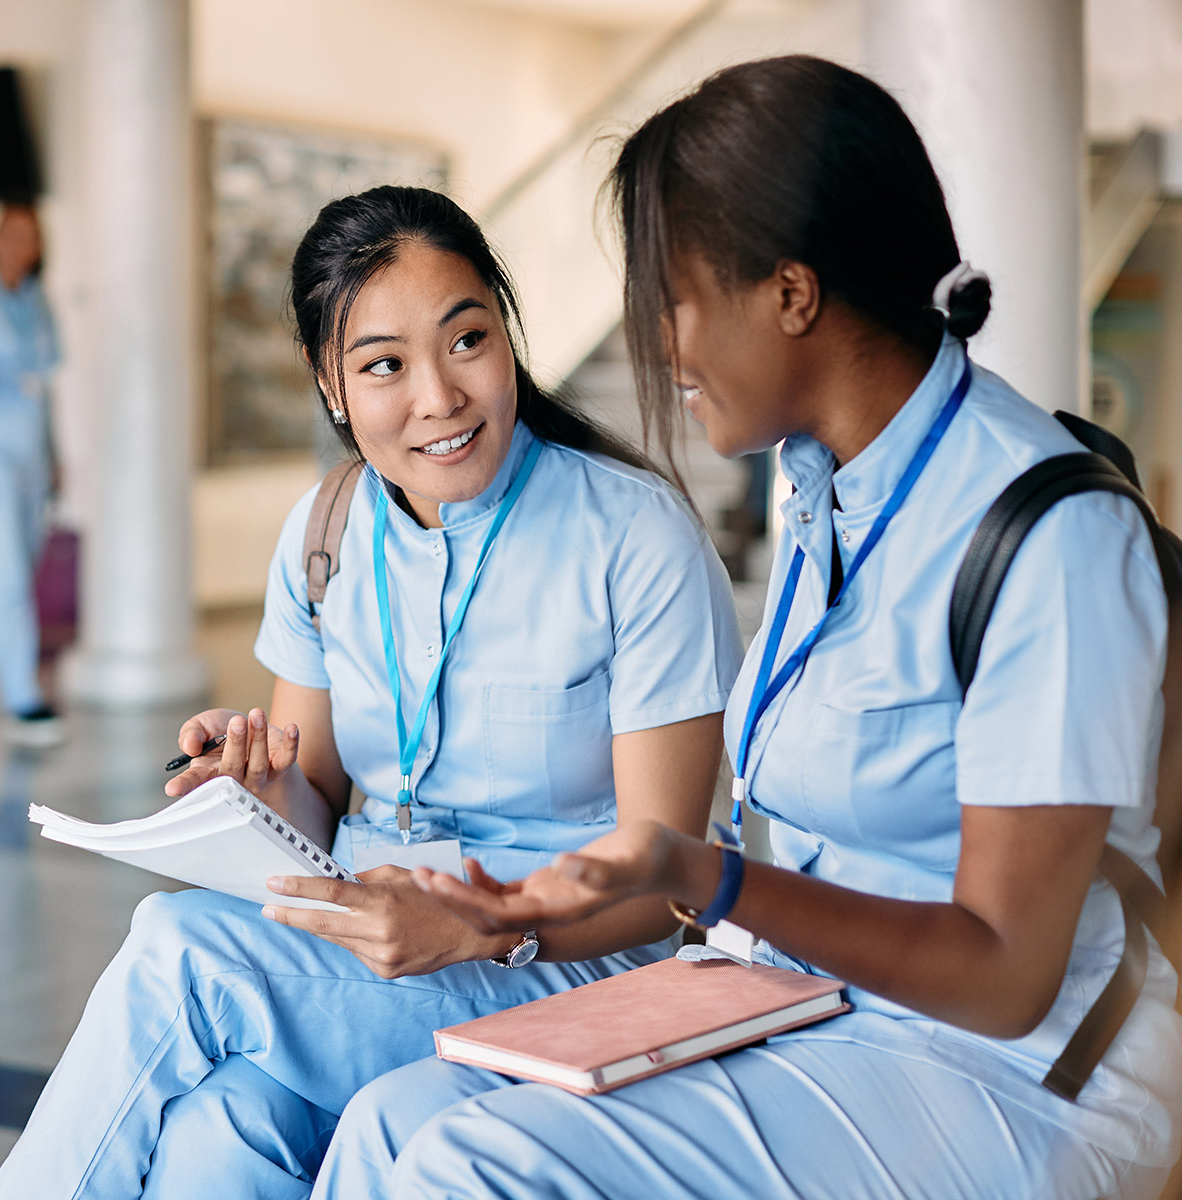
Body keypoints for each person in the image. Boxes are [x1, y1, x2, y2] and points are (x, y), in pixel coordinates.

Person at [309, 57, 1182, 1200]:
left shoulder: (1051, 533)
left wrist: (710, 880)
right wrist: (520, 916)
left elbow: (1008, 977)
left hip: (1019, 1070)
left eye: (671, 300)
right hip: (816, 1001)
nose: (657, 347)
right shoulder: (825, 492)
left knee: (472, 1163)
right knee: (392, 1121)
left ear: (791, 294)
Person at [0, 186, 742, 1198]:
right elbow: (317, 806)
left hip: (559, 964)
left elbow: (665, 890)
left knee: (182, 951)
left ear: (506, 334)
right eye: (385, 365)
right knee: (219, 1132)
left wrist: (485, 926)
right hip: (360, 954)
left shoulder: (637, 539)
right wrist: (262, 793)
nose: (439, 396)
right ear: (331, 384)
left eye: (467, 340)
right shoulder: (325, 533)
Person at [0, 202, 63, 746]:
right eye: (10, 234)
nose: (19, 245)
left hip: (32, 454)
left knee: (20, 567)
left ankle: (9, 674)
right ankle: (22, 698)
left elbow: (45, 388)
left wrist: (55, 455)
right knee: (5, 571)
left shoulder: (38, 302)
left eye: (29, 236)